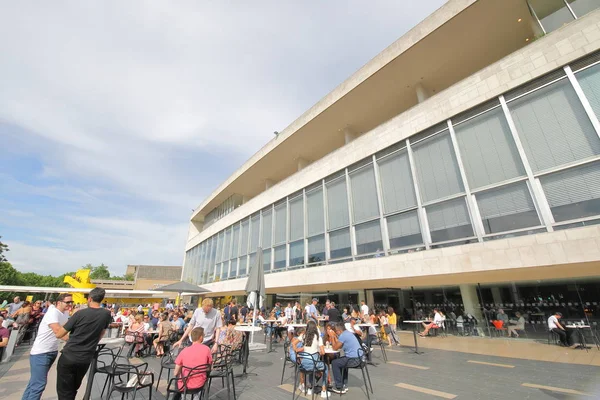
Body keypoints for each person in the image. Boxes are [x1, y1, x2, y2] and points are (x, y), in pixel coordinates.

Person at [55, 287, 112, 400]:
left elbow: (59, 334)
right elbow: (101, 333)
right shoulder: (106, 314)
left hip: (70, 355)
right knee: (74, 388)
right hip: (86, 357)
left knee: (64, 391)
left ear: (89, 299)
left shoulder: (80, 314)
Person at [22, 293, 73, 400]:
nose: (70, 304)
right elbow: (58, 332)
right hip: (41, 353)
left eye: (71, 302)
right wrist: (76, 341)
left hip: (51, 351)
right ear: (59, 302)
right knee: (39, 385)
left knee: (34, 383)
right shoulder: (53, 312)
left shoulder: (65, 313)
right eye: (68, 302)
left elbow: (67, 328)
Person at [173, 327, 212, 400]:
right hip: (199, 383)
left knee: (178, 378)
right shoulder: (207, 349)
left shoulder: (184, 351)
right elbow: (209, 367)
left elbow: (175, 372)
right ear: (201, 337)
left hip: (184, 384)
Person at [331, 322, 362, 394]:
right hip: (360, 358)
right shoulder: (348, 333)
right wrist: (335, 337)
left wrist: (332, 336)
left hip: (354, 360)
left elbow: (335, 348)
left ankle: (339, 386)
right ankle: (344, 383)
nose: (336, 333)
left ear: (339, 330)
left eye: (336, 331)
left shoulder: (343, 335)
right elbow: (340, 345)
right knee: (342, 360)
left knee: (334, 363)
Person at [301, 320, 328, 398]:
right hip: (313, 363)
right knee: (325, 368)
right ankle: (323, 390)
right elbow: (323, 352)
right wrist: (319, 350)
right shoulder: (317, 337)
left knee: (311, 369)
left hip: (303, 364)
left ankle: (310, 388)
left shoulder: (304, 336)